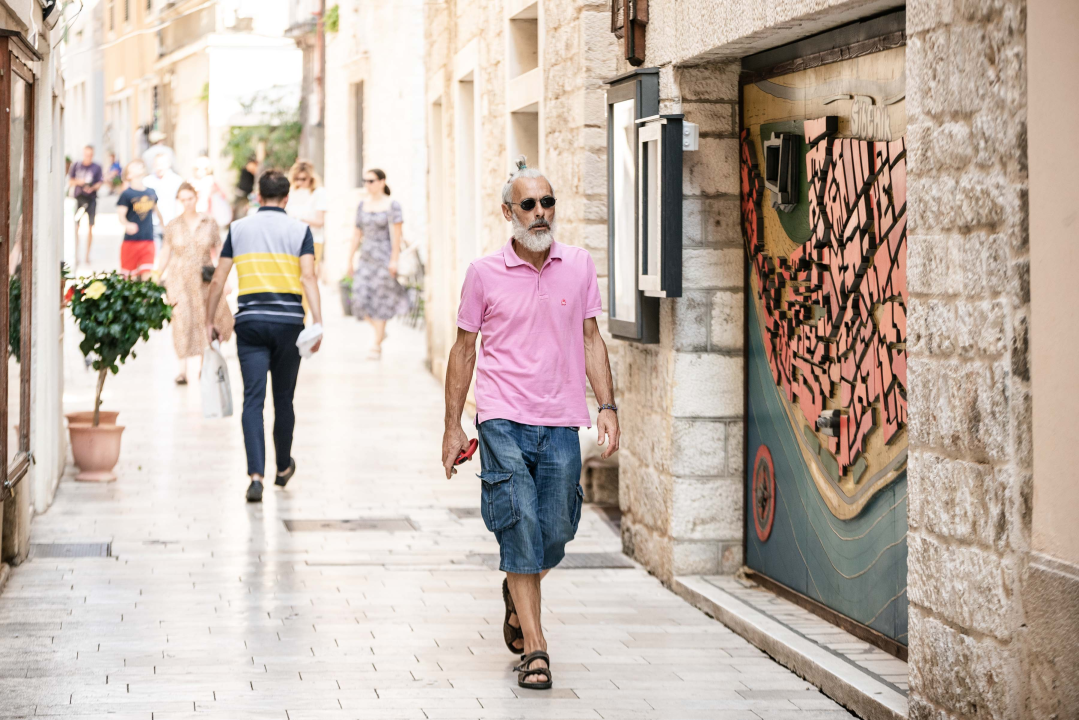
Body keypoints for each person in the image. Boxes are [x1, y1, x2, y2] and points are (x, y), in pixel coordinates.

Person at [440, 157, 620, 692]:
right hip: (501, 417)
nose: (541, 213)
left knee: (558, 529)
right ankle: (536, 650)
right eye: (529, 205)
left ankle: (517, 589)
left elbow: (591, 339)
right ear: (508, 212)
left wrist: (607, 406)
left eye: (548, 203)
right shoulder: (483, 274)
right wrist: (453, 426)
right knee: (519, 519)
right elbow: (463, 350)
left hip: (562, 416)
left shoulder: (579, 264)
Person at [205, 170, 323, 503]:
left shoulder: (239, 228)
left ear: (258, 195)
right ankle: (283, 467)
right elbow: (309, 278)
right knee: (284, 399)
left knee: (253, 400)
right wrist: (318, 322)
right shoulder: (300, 230)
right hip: (288, 324)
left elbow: (218, 280)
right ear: (286, 198)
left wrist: (209, 320)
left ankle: (255, 476)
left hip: (251, 323)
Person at [158, 182, 235, 385]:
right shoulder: (173, 225)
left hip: (204, 276)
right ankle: (182, 369)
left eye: (189, 198)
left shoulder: (209, 222)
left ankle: (202, 366)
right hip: (178, 277)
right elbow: (166, 251)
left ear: (196, 198)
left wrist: (224, 279)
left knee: (204, 317)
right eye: (182, 199)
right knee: (181, 318)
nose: (186, 203)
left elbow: (218, 252)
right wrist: (156, 275)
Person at [347, 168, 410, 359]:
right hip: (366, 258)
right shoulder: (362, 205)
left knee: (381, 299)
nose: (367, 184)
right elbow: (357, 234)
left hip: (384, 257)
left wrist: (394, 260)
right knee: (359, 298)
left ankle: (376, 344)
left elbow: (397, 236)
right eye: (365, 181)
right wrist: (349, 259)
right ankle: (380, 331)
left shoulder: (392, 205)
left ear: (382, 182)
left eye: (371, 180)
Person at [116, 160, 164, 280]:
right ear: (129, 175)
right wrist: (127, 224)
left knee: (147, 276)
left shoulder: (151, 192)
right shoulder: (126, 194)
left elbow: (157, 212)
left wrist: (164, 227)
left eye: (140, 165)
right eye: (134, 166)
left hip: (148, 239)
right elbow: (121, 215)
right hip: (131, 241)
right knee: (129, 278)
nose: (139, 167)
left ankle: (146, 299)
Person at [286, 160, 328, 275]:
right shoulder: (292, 192)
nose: (300, 182)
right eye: (296, 179)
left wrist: (299, 219)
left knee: (308, 276)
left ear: (311, 177)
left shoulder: (319, 193)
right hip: (292, 240)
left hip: (312, 240)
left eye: (303, 179)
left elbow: (320, 221)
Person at [68, 145, 103, 264]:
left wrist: (92, 188)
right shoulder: (77, 166)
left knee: (90, 227)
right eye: (86, 155)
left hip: (91, 199)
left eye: (90, 155)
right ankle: (76, 255)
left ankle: (87, 255)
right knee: (76, 227)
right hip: (79, 198)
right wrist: (80, 182)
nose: (88, 157)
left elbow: (100, 182)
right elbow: (70, 181)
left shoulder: (97, 167)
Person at [145, 154, 184, 248]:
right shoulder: (147, 181)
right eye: (157, 164)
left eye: (162, 164)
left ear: (168, 164)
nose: (159, 167)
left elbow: (180, 202)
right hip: (153, 224)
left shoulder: (177, 181)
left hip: (172, 223)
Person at [192, 156, 231, 228]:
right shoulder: (192, 182)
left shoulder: (211, 181)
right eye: (197, 169)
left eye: (203, 169)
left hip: (209, 212)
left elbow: (223, 196)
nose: (200, 171)